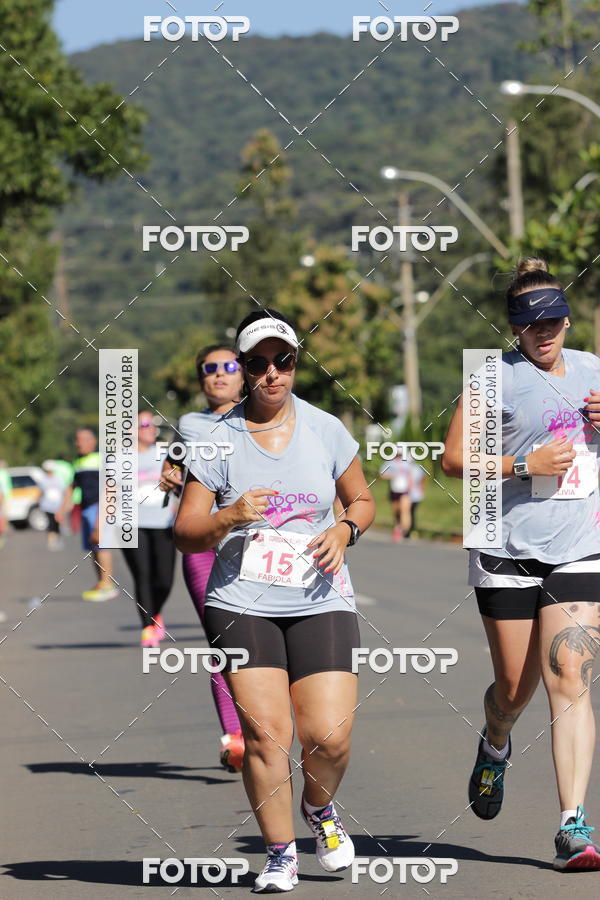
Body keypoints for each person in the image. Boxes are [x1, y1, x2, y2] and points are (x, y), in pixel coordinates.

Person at [174, 308, 375, 893]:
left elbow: (361, 502)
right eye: (257, 363)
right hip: (242, 599)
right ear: (244, 369)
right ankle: (280, 852)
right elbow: (186, 530)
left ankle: (319, 807)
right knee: (266, 735)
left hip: (320, 594)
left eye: (282, 361)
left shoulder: (326, 429)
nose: (271, 373)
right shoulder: (215, 439)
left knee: (330, 736)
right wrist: (230, 515)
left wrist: (343, 531)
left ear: (296, 363)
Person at [442, 257, 600, 870]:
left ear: (567, 317)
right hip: (506, 546)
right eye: (533, 324)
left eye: (555, 319)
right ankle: (496, 741)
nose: (546, 332)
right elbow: (453, 460)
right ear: (513, 326)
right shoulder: (490, 377)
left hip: (581, 545)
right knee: (514, 687)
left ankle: (573, 826)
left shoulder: (592, 370)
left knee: (571, 675)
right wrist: (521, 465)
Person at [161, 347, 246, 772]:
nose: (218, 375)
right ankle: (234, 736)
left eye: (228, 367)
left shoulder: (264, 419)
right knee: (222, 641)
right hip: (202, 548)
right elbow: (172, 470)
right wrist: (171, 478)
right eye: (209, 369)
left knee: (268, 638)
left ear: (244, 372)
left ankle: (268, 724)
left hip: (253, 545)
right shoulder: (190, 426)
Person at [122, 411, 178, 647]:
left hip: (163, 522)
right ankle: (147, 627)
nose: (150, 428)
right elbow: (110, 493)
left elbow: (180, 484)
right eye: (144, 424)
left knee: (164, 579)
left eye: (152, 424)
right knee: (142, 575)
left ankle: (155, 612)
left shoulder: (165, 454)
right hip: (131, 524)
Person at [56, 429, 119, 602]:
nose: (78, 443)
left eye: (81, 440)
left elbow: (111, 486)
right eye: (77, 440)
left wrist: (103, 514)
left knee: (101, 544)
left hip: (100, 507)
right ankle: (101, 583)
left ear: (92, 441)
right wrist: (62, 509)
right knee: (93, 546)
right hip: (85, 507)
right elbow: (72, 486)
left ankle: (108, 585)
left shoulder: (103, 458)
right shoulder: (78, 461)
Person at [379, 453, 413, 541]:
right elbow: (382, 474)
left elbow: (411, 473)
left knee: (405, 510)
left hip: (405, 490)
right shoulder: (390, 462)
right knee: (396, 511)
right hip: (394, 490)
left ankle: (404, 530)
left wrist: (411, 485)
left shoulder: (407, 461)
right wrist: (393, 475)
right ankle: (398, 527)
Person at [40, 461, 66, 550]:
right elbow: (41, 491)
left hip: (58, 506)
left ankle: (58, 538)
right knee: (50, 523)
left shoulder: (58, 479)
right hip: (47, 505)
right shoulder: (43, 480)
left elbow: (64, 491)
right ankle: (51, 541)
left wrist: (64, 505)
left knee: (57, 523)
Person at [405, 457, 427, 538]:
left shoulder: (417, 468)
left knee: (411, 513)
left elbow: (423, 479)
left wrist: (422, 488)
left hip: (414, 495)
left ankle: (411, 530)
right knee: (409, 513)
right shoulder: (406, 467)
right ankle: (408, 530)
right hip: (409, 494)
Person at [0, 459, 11, 550]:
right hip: (5, 496)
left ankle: (3, 531)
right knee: (4, 515)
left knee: (3, 515)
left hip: (3, 497)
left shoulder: (3, 474)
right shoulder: (5, 473)